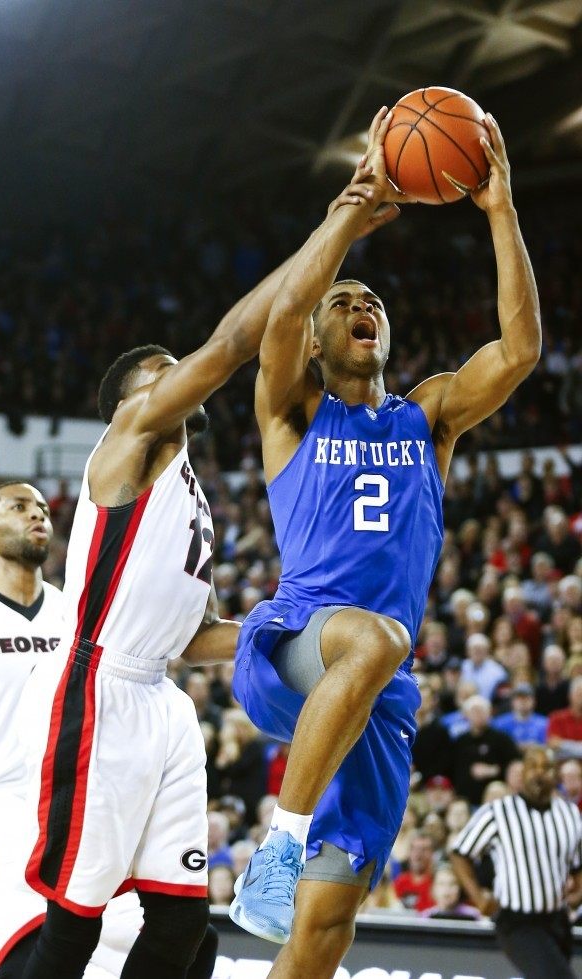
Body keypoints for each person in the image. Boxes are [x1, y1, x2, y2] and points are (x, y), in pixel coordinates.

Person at [230, 104, 541, 977]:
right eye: (345, 302)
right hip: (297, 643)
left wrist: (500, 208)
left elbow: (519, 350)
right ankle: (277, 844)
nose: (361, 302)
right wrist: (345, 218)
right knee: (377, 636)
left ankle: (300, 869)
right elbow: (285, 311)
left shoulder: (428, 416)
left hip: (380, 694)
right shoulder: (293, 412)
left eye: (372, 300)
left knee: (325, 931)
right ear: (323, 343)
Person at [18, 213, 348, 979]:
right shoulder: (126, 446)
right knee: (75, 918)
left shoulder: (189, 489)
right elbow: (233, 343)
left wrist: (279, 623)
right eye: (161, 372)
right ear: (133, 401)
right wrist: (337, 227)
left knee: (182, 921)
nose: (176, 378)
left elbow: (191, 636)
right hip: (95, 688)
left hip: (160, 698)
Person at [0, 483, 217, 979]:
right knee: (30, 953)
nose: (37, 517)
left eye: (44, 509)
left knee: (192, 939)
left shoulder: (78, 609)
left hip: (75, 801)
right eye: (19, 508)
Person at [451, 747, 582, 979]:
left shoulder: (570, 814)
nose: (539, 774)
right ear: (523, 772)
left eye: (546, 768)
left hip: (557, 920)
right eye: (533, 767)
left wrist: (578, 892)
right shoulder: (498, 812)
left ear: (556, 774)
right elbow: (460, 853)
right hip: (517, 921)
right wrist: (479, 896)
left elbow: (576, 865)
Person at [451, 695, 520, 805]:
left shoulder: (502, 739)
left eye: (481, 711)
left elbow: (515, 765)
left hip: (497, 799)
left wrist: (493, 770)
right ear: (466, 715)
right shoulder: (460, 741)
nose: (478, 715)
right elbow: (453, 768)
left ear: (489, 714)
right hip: (466, 799)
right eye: (474, 712)